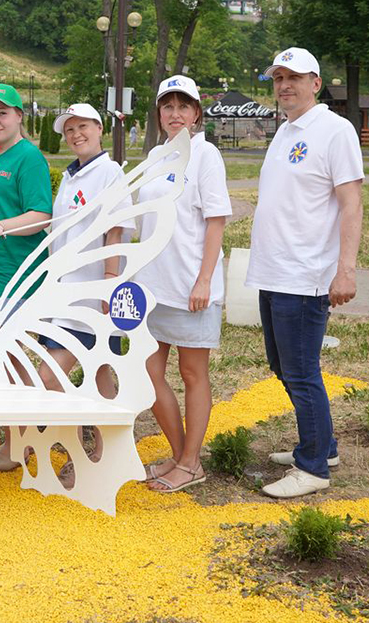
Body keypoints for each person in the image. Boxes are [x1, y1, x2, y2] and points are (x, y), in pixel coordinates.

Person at [246, 47, 364, 499]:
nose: (284, 86)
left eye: (294, 77)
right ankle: (324, 445)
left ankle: (313, 467)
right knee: (283, 365)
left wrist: (345, 270)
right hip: (274, 271)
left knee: (300, 370)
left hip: (304, 274)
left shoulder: (334, 130)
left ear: (316, 83)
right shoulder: (286, 131)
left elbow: (351, 202)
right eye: (278, 78)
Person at [134, 75, 231, 493]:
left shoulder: (205, 155)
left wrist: (204, 279)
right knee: (148, 372)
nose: (175, 114)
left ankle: (191, 463)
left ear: (196, 114)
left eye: (183, 106)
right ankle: (180, 456)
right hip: (151, 286)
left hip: (191, 286)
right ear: (159, 114)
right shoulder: (155, 156)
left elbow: (216, 222)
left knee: (193, 373)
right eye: (167, 107)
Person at [35, 103, 132, 486]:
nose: (76, 134)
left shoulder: (109, 172)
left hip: (91, 295)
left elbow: (117, 230)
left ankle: (83, 456)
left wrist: (110, 282)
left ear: (100, 128)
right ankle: (106, 452)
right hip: (65, 293)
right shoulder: (72, 176)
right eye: (70, 129)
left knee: (50, 376)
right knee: (100, 371)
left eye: (84, 126)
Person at [0, 83, 53, 473]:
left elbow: (41, 216)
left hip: (14, 276)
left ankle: (17, 445)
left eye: (3, 113)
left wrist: (2, 226)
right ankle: (18, 437)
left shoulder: (28, 158)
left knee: (9, 362)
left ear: (20, 116)